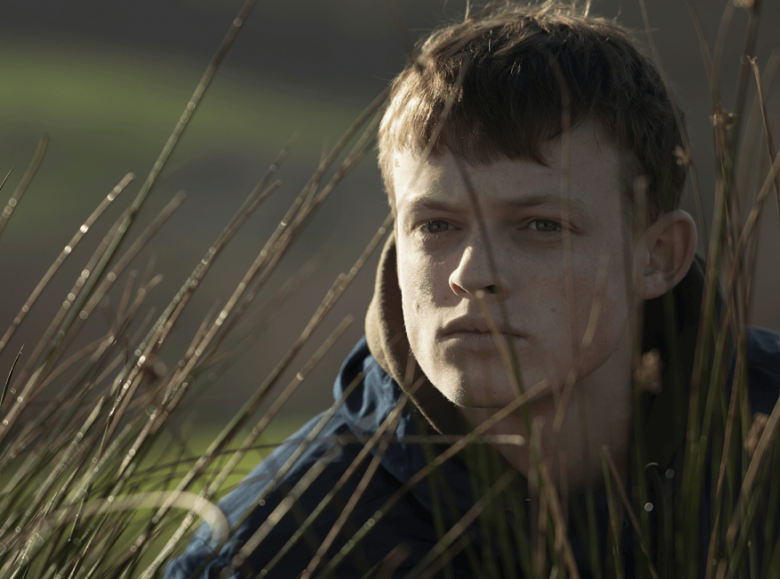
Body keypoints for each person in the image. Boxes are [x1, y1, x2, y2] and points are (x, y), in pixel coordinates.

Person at [166, 2, 780, 577]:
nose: (470, 273)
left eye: (542, 225)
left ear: (659, 257)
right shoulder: (270, 551)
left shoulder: (764, 434)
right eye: (436, 226)